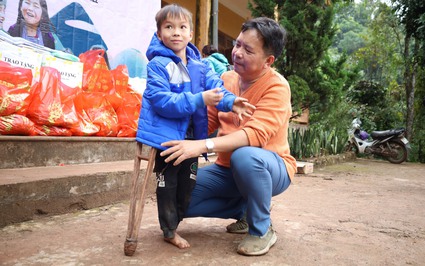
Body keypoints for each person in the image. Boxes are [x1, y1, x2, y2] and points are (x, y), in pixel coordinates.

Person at [160, 17, 297, 256]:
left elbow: (254, 135)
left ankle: (261, 229)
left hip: (271, 167)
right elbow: (207, 122)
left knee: (245, 157)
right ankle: (243, 209)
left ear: (268, 61)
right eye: (237, 44)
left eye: (248, 49)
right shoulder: (226, 80)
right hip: (226, 169)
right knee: (177, 196)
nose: (237, 53)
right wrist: (165, 128)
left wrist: (203, 146)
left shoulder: (277, 87)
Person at [136, 4, 255, 250]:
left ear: (191, 34)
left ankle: (174, 223)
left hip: (192, 139)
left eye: (182, 27)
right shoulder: (158, 65)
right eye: (169, 27)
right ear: (159, 34)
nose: (176, 32)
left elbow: (216, 87)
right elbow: (161, 102)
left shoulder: (200, 66)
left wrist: (231, 102)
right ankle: (169, 231)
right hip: (167, 139)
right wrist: (199, 99)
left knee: (187, 184)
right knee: (167, 186)